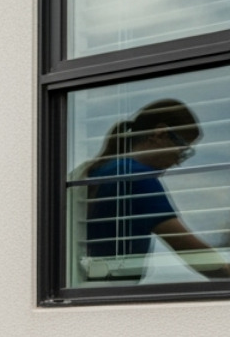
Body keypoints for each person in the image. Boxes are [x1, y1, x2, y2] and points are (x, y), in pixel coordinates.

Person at [81, 99, 230, 281]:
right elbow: (192, 252)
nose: (178, 162)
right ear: (160, 134)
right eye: (182, 150)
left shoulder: (104, 170)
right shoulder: (136, 177)